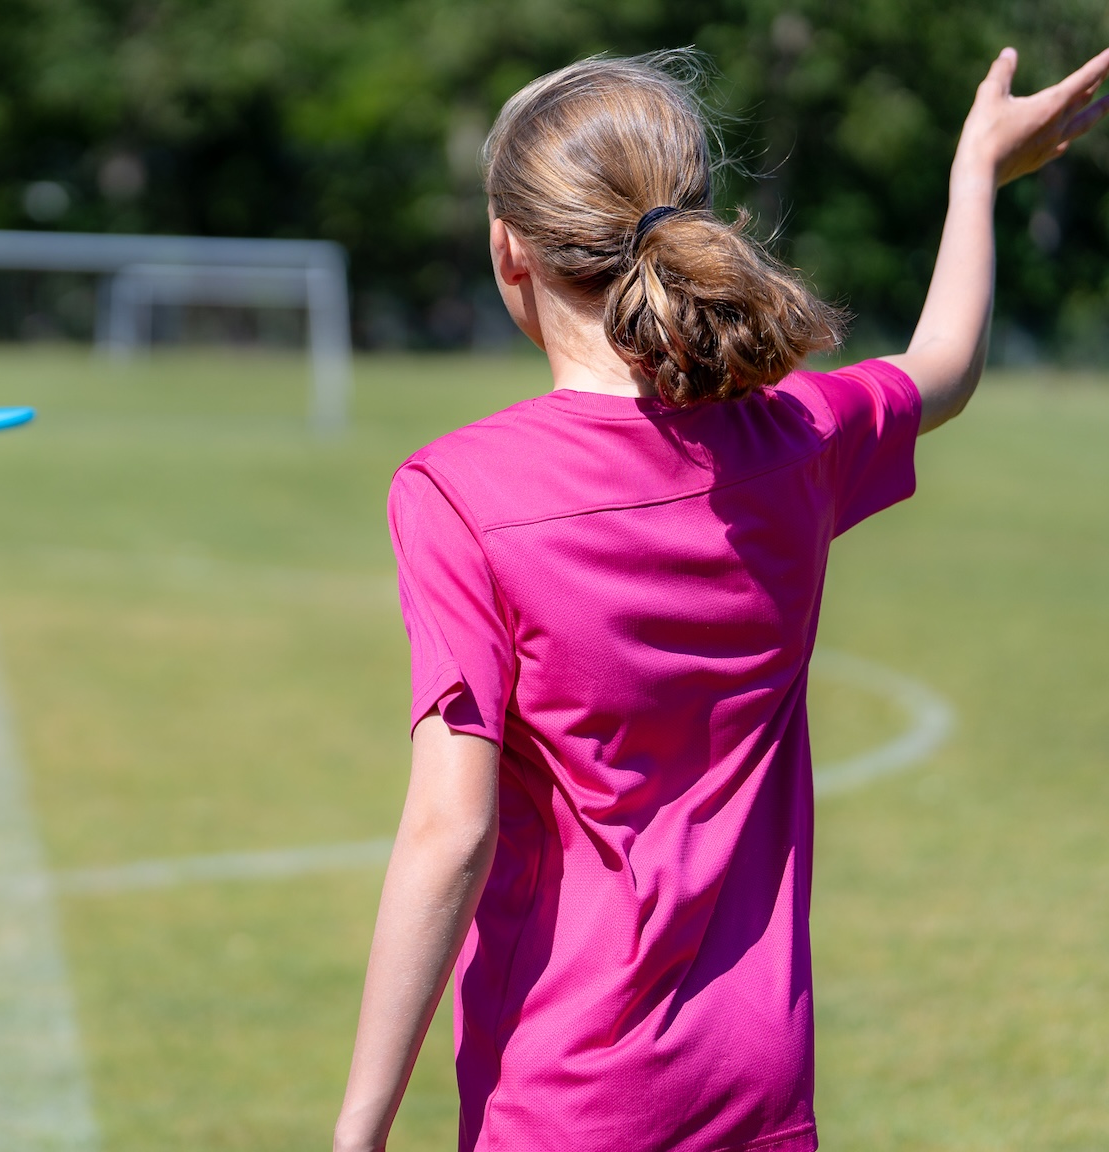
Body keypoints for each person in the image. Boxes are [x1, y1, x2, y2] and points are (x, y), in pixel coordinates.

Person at [333, 45, 1109, 1152]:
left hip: (567, 1093)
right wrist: (975, 169)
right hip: (759, 1085)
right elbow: (944, 364)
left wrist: (357, 1129)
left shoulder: (460, 494)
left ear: (509, 250)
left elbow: (451, 831)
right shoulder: (793, 438)